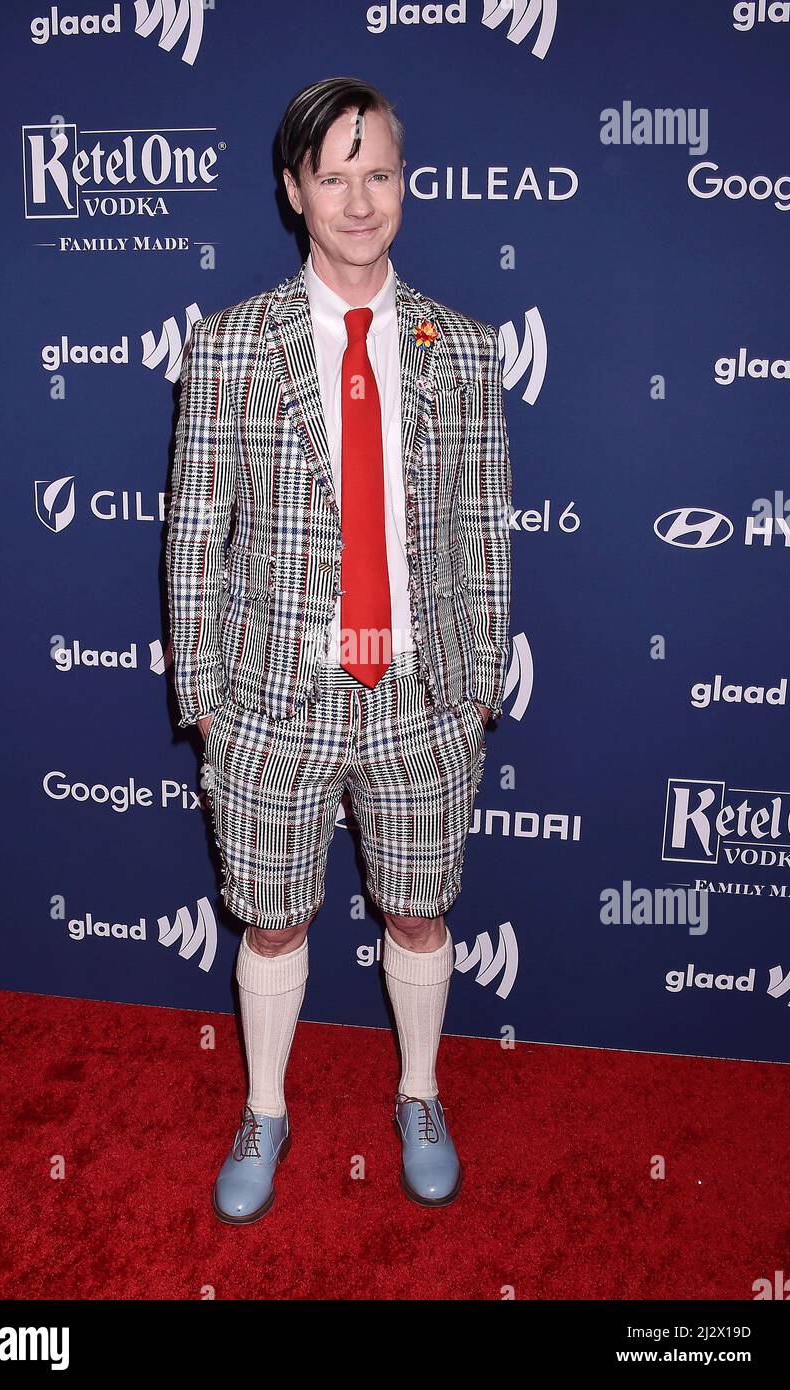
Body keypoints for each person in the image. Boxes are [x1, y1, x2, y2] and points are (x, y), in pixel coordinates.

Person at [166, 76, 512, 1224]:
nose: (360, 199)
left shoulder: (462, 350)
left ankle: (418, 1091)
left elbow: (481, 528)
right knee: (272, 918)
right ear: (293, 191)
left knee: (419, 911)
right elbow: (193, 538)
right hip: (272, 701)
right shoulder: (227, 350)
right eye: (334, 175)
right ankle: (265, 1104)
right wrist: (207, 697)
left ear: (401, 184)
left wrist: (473, 692)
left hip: (420, 696)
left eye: (380, 173)